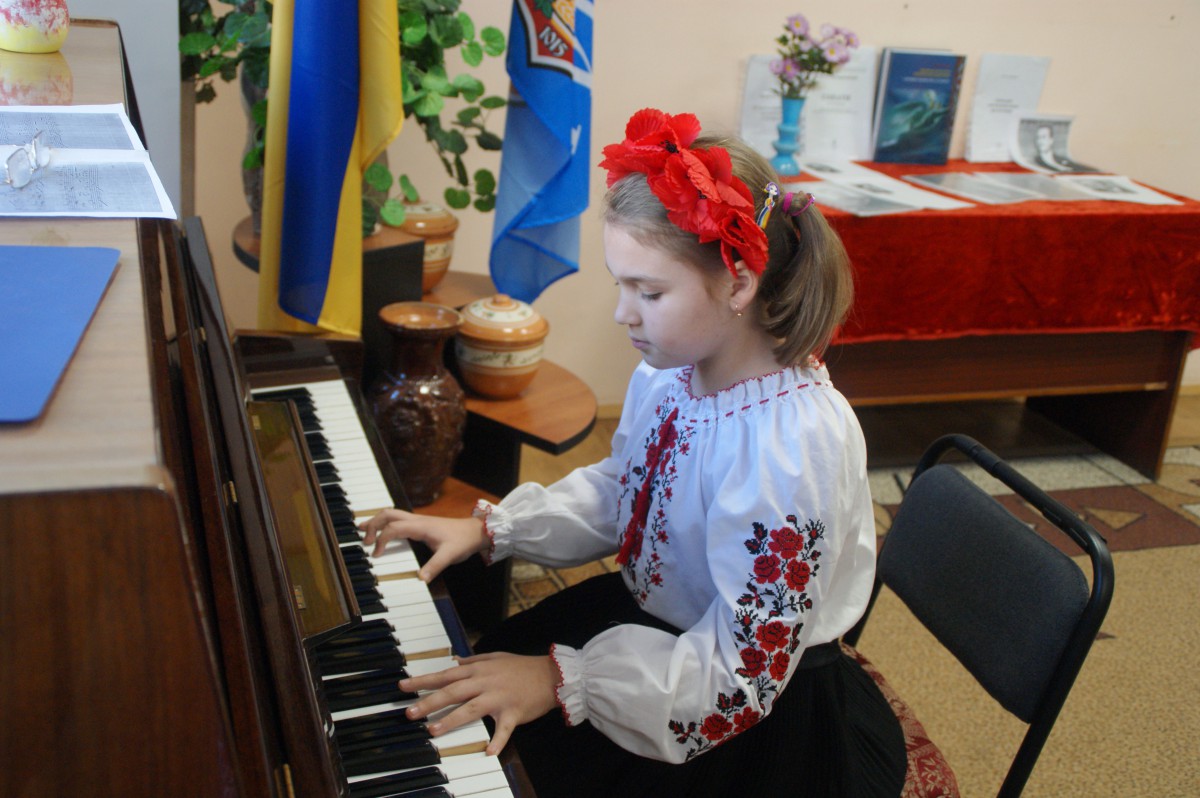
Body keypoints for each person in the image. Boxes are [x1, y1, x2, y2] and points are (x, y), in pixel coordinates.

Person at [360, 107, 907, 797]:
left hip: (741, 704)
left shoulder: (790, 447)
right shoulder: (671, 372)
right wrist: (493, 528)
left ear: (738, 283)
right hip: (656, 631)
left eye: (648, 291)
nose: (624, 312)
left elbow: (744, 671)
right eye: (621, 284)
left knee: (504, 764)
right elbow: (629, 487)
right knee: (462, 691)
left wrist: (559, 678)